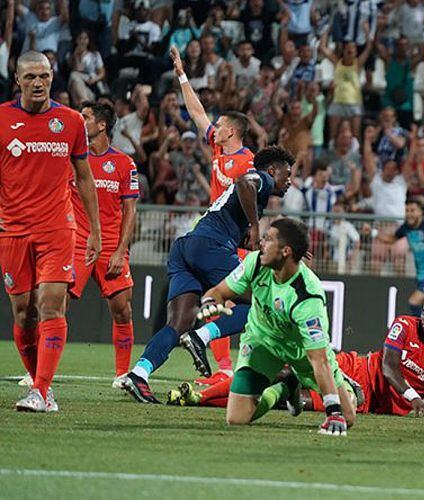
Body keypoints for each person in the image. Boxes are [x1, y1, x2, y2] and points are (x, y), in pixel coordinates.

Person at [119, 146, 294, 403]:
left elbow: (244, 238)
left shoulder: (253, 198)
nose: (289, 181)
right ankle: (201, 337)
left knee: (179, 322)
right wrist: (256, 226)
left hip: (187, 246)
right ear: (272, 170)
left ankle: (138, 374)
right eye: (286, 175)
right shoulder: (262, 179)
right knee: (259, 302)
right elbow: (245, 182)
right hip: (211, 246)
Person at [169, 292, 424, 421]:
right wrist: (414, 398)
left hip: (367, 402)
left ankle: (203, 396)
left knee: (288, 400)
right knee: (281, 370)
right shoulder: (405, 324)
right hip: (356, 371)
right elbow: (388, 367)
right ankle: (199, 395)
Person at [181, 217, 356, 434]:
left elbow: (318, 358)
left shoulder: (308, 296)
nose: (260, 243)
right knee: (236, 419)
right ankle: (284, 388)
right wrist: (209, 303)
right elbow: (218, 291)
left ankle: (311, 383)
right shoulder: (254, 263)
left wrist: (334, 412)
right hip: (261, 342)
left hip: (301, 353)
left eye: (268, 239)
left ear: (285, 251)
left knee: (347, 418)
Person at [1, 51, 101, 413]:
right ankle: (41, 387)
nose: (39, 83)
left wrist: (95, 230)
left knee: (50, 304)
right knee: (23, 312)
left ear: (52, 76)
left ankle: (41, 391)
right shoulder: (1, 119)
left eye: (44, 75)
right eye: (30, 77)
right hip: (12, 231)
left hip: (58, 228)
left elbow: (85, 177)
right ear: (18, 81)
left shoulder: (71, 121)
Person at [171, 44, 257, 383]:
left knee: (231, 302)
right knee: (214, 301)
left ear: (232, 131)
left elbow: (256, 194)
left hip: (233, 239)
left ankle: (238, 365)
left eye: (220, 126)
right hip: (212, 236)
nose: (214, 128)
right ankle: (222, 369)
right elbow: (197, 113)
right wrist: (181, 75)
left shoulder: (249, 163)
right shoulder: (218, 149)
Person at [69, 102, 139, 388]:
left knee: (122, 309)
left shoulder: (124, 163)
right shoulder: (71, 159)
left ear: (101, 125)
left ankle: (122, 374)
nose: (79, 120)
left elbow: (130, 210)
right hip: (76, 242)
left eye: (84, 117)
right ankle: (36, 372)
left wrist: (121, 251)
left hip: (111, 244)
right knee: (53, 303)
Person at [367, 199, 424, 315]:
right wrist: (373, 232)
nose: (409, 214)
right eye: (407, 210)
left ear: (420, 212)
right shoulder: (406, 227)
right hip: (421, 276)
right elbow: (392, 239)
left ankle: (420, 332)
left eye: (412, 210)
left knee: (414, 302)